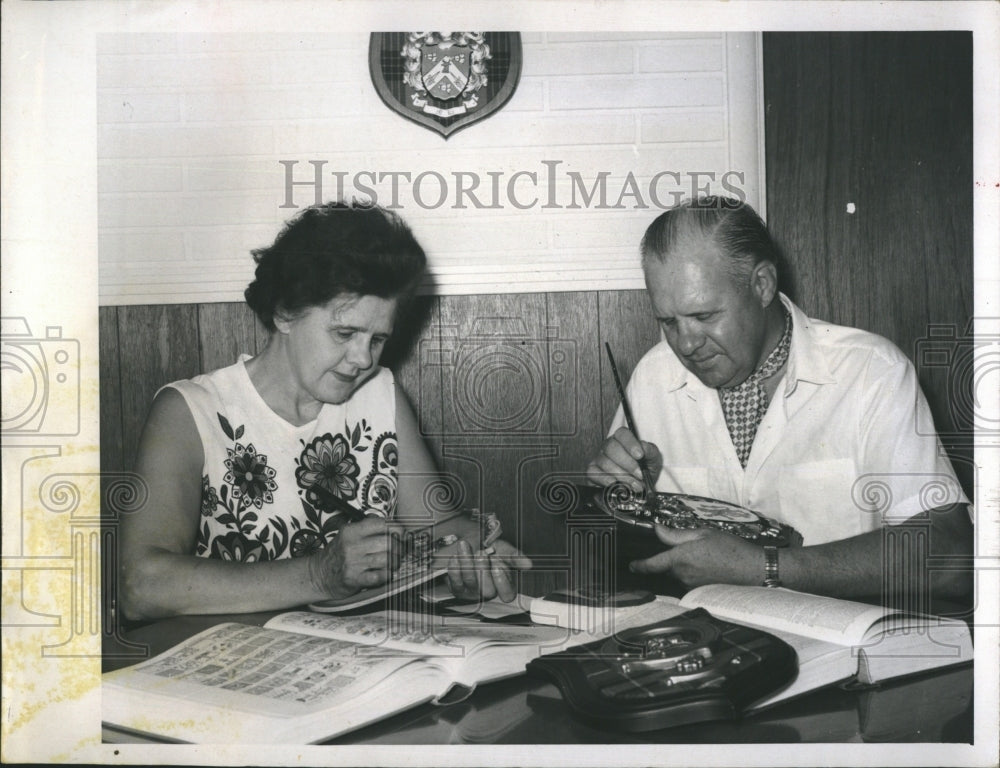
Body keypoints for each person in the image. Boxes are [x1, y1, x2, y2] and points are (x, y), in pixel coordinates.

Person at [121, 201, 529, 621]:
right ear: (284, 312)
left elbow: (440, 526)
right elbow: (141, 585)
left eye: (376, 339)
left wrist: (476, 553)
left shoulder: (379, 394)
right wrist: (319, 575)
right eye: (345, 332)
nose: (363, 359)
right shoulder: (190, 411)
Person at [586, 196, 972, 602]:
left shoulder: (871, 371)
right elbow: (616, 552)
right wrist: (611, 494)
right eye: (668, 321)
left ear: (762, 284)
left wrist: (763, 568)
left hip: (842, 653)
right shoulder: (653, 376)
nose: (685, 343)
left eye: (704, 316)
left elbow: (949, 557)